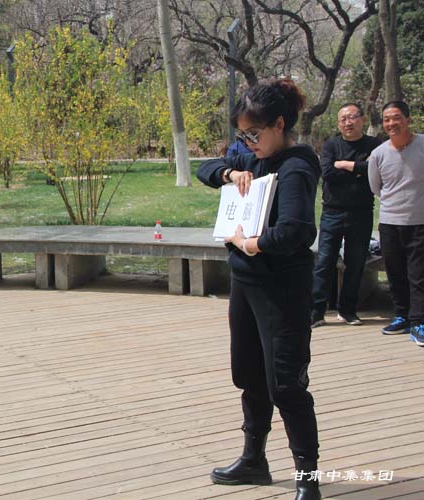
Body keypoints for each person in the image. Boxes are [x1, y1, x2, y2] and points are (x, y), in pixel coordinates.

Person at [197, 78, 322, 500]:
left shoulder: (296, 167)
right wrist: (230, 172)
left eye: (254, 134)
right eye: (242, 136)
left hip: (282, 289)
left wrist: (251, 244)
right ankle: (254, 459)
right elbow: (205, 169)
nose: (247, 143)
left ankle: (308, 480)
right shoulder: (253, 156)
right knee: (249, 375)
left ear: (280, 125)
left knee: (286, 384)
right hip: (246, 284)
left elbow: (297, 231)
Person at [311, 104, 381, 328]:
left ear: (362, 120)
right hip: (332, 212)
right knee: (324, 262)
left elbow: (375, 171)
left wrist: (346, 165)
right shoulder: (331, 145)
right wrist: (359, 169)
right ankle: (316, 311)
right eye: (343, 119)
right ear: (338, 123)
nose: (348, 123)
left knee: (356, 263)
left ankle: (348, 310)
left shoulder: (374, 145)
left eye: (352, 117)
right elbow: (328, 173)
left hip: (361, 212)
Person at [368, 101, 424, 345]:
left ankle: (419, 321)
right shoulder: (378, 154)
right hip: (390, 223)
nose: (392, 123)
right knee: (395, 272)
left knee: (418, 275)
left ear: (408, 119)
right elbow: (375, 187)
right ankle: (401, 316)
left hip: (419, 222)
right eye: (387, 119)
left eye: (397, 118)